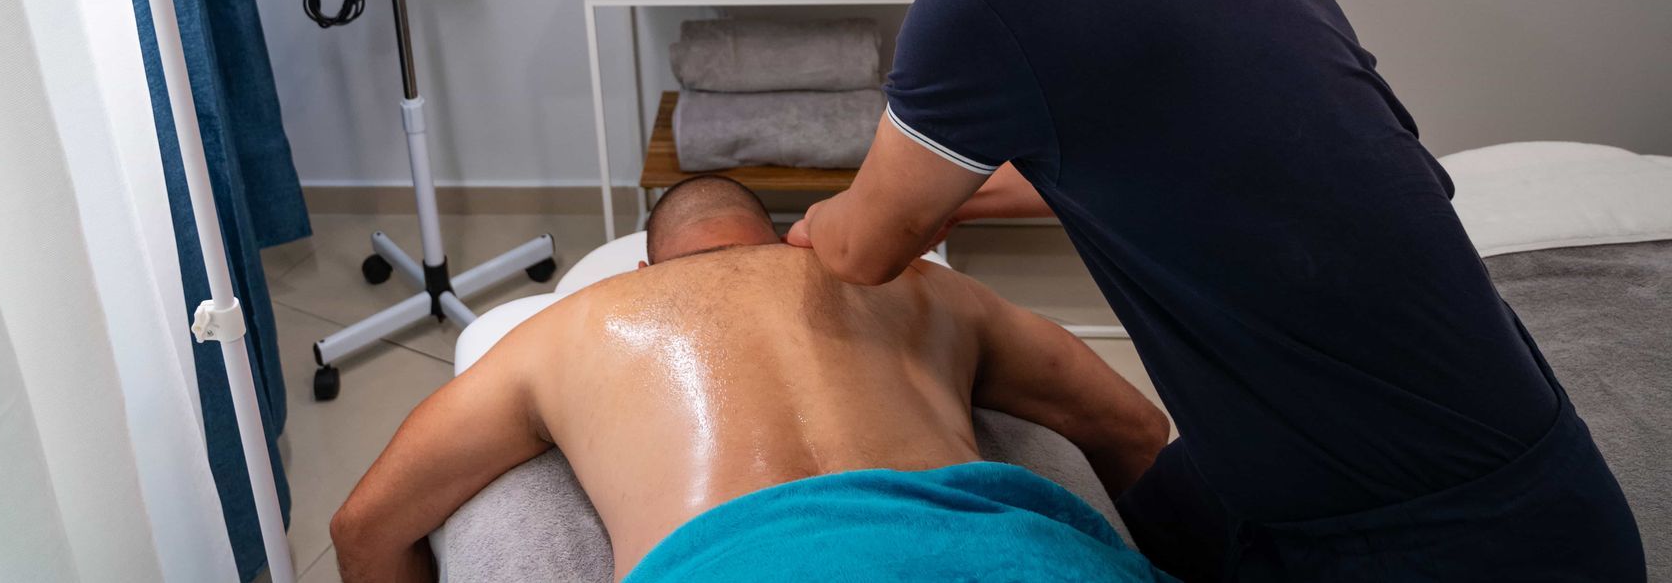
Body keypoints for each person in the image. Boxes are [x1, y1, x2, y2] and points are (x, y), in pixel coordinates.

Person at [786, 0, 1644, 581]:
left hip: (1416, 539)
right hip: (1556, 490)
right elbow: (1165, 152)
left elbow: (863, 250)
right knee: (1130, 503)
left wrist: (828, 219)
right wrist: (954, 197)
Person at [330, 175, 1171, 583]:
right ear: (780, 238)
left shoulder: (571, 324)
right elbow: (1132, 426)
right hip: (1016, 563)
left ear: (644, 267)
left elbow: (364, 526)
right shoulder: (916, 284)